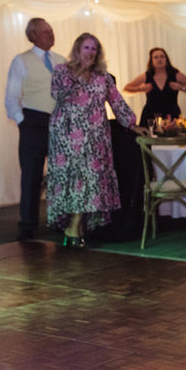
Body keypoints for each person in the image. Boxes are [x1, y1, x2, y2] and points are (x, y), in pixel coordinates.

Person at [45, 33, 148, 247]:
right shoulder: (62, 71)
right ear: (77, 49)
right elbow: (58, 94)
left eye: (94, 49)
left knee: (91, 181)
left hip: (95, 138)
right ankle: (73, 228)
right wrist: (79, 73)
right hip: (67, 136)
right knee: (73, 181)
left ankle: (75, 227)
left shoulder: (103, 77)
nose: (91, 52)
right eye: (87, 48)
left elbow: (117, 102)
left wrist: (132, 124)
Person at [4, 17, 66, 241]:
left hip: (59, 122)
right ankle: (28, 224)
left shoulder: (61, 61)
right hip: (33, 122)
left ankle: (61, 219)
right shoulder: (21, 60)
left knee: (61, 173)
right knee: (31, 174)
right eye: (45, 31)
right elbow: (12, 96)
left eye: (51, 30)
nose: (51, 34)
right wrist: (23, 121)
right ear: (32, 36)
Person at [123, 48, 186, 127]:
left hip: (171, 114)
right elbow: (126, 88)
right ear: (151, 61)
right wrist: (140, 89)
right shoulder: (147, 76)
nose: (159, 59)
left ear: (166, 59)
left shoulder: (175, 74)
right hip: (150, 115)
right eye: (156, 57)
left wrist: (181, 87)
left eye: (162, 57)